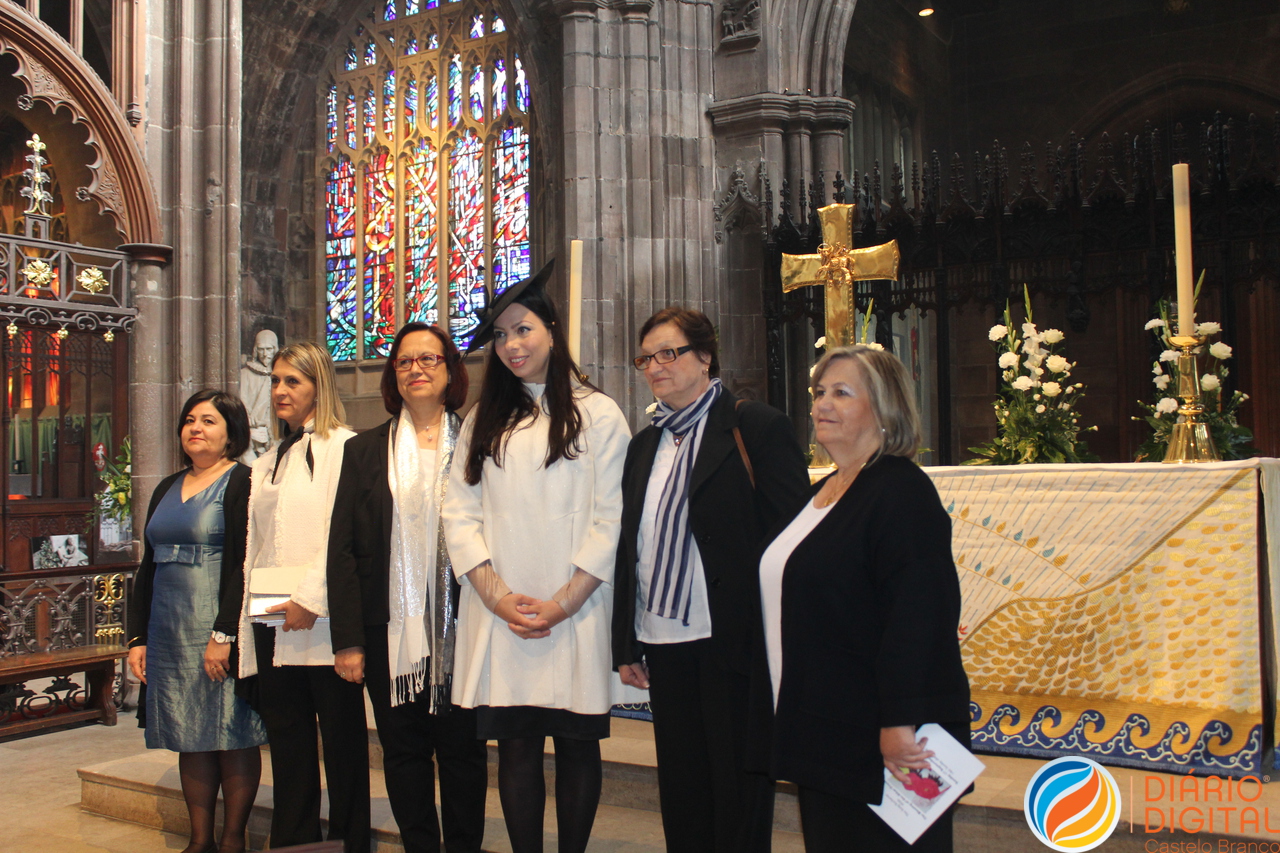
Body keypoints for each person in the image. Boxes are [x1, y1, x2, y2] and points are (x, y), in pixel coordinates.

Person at [444, 261, 630, 853]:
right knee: (517, 748)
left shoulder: (598, 414)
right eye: (499, 336)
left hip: (574, 610)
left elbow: (611, 518)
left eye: (522, 330)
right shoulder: (482, 420)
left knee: (577, 746)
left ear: (551, 328)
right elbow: (459, 514)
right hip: (503, 613)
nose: (511, 346)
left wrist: (562, 604)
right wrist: (500, 600)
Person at [611, 307, 810, 853]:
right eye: (646, 357)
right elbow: (632, 546)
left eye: (669, 352)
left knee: (738, 788)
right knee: (683, 788)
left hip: (732, 638)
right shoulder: (645, 446)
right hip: (664, 640)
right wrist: (625, 639)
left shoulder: (755, 427)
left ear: (705, 357)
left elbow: (792, 539)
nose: (655, 365)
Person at [759, 345, 970, 852]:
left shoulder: (900, 491)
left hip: (878, 733)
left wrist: (899, 721)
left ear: (884, 406)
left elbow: (919, 616)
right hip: (825, 725)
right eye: (818, 393)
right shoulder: (825, 490)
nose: (821, 405)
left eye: (841, 392)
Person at [327, 322, 488, 853]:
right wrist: (347, 639)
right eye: (404, 362)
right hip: (385, 629)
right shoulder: (365, 450)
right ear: (393, 375)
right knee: (401, 751)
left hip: (462, 624)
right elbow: (343, 549)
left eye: (429, 360)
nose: (416, 369)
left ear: (451, 372)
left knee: (463, 752)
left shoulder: (477, 443)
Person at [236, 341, 369, 853]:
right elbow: (260, 545)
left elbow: (345, 534)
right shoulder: (270, 457)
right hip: (272, 618)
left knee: (342, 748)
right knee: (289, 749)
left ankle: (350, 842)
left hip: (327, 621)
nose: (279, 391)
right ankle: (293, 844)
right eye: (274, 381)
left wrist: (311, 596)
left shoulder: (346, 447)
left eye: (292, 380)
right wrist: (255, 613)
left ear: (319, 385)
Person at [127, 389, 266, 853]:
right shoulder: (167, 486)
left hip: (218, 628)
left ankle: (233, 839)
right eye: (189, 420)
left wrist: (224, 634)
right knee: (191, 734)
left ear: (232, 431)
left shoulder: (243, 481)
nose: (195, 428)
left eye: (208, 420)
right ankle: (199, 840)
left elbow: (244, 564)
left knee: (231, 729)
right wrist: (137, 637)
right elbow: (148, 565)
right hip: (168, 628)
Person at [238, 328, 279, 462]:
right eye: (261, 349)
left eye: (269, 349)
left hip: (275, 430)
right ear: (255, 350)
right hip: (253, 430)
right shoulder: (245, 374)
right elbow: (242, 400)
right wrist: (249, 419)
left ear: (275, 349)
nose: (265, 354)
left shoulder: (280, 374)